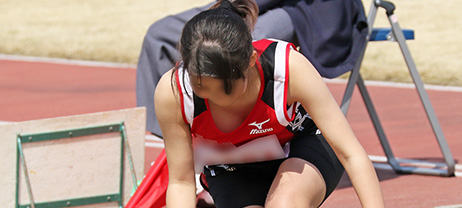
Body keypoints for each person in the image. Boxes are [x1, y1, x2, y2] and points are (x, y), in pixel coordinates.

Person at [140, 1, 410, 208]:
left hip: (302, 147)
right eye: (204, 89)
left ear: (252, 60)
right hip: (233, 167)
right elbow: (183, 180)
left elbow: (351, 152)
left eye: (228, 89)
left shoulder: (288, 68)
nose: (217, 100)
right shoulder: (173, 92)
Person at [136, 0, 368, 138]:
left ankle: (237, 148)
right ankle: (176, 143)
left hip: (311, 8)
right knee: (160, 34)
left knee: (246, 41)